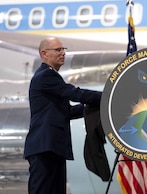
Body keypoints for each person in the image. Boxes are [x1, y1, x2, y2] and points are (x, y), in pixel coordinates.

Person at [23, 37, 102, 194]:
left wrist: (94, 106)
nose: (63, 53)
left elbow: (68, 112)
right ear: (44, 54)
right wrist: (108, 97)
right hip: (44, 148)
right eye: (58, 50)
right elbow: (74, 93)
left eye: (63, 49)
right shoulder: (45, 75)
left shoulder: (51, 77)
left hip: (53, 148)